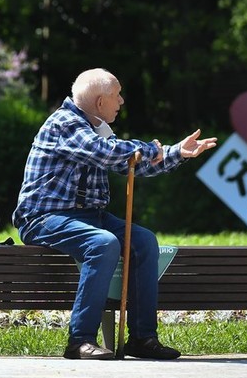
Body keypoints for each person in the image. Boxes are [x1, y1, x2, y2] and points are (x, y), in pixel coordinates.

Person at [12, 68, 217, 360]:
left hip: (89, 216)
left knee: (144, 241)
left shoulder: (95, 127)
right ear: (99, 103)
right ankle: (79, 340)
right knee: (103, 243)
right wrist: (148, 148)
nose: (121, 101)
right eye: (116, 95)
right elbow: (106, 152)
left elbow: (129, 164)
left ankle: (143, 338)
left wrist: (176, 153)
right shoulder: (65, 123)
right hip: (44, 217)